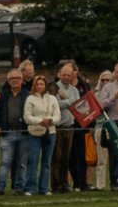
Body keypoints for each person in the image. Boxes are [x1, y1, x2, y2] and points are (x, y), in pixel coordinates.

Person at [50, 62, 88, 193]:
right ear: (60, 74)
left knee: (66, 157)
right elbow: (56, 105)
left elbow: (78, 106)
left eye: (69, 75)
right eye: (64, 74)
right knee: (57, 157)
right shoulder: (54, 87)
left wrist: (66, 100)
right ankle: (56, 185)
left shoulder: (74, 90)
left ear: (72, 76)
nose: (66, 77)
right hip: (58, 127)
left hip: (70, 127)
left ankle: (65, 184)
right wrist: (69, 101)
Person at [0, 67, 28, 194]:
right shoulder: (4, 95)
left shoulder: (27, 95)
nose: (14, 81)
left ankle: (19, 188)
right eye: (11, 78)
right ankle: (0, 188)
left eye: (17, 78)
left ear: (22, 80)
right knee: (5, 162)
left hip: (24, 133)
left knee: (22, 163)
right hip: (8, 133)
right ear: (8, 81)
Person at [22, 73, 59, 196]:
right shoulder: (30, 99)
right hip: (35, 132)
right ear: (34, 86)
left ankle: (44, 187)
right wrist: (40, 121)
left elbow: (57, 116)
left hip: (50, 132)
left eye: (42, 84)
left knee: (46, 161)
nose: (40, 86)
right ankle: (30, 187)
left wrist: (50, 121)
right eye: (37, 84)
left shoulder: (52, 99)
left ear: (46, 85)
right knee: (33, 159)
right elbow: (27, 117)